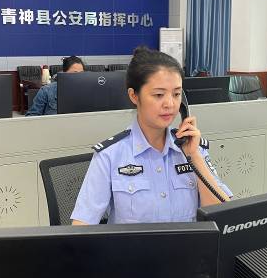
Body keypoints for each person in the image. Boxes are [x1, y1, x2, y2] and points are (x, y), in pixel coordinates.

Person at [71, 47, 232, 225]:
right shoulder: (109, 156)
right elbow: (81, 227)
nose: (170, 104)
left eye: (176, 94)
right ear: (134, 96)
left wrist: (194, 157)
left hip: (187, 244)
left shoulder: (193, 148)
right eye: (159, 95)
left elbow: (222, 219)